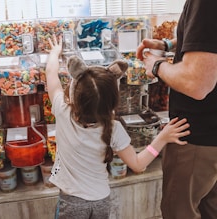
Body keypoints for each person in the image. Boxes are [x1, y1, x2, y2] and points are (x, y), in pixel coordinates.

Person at [45, 34, 190, 219]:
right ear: (113, 102)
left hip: (71, 201)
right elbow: (138, 165)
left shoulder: (62, 110)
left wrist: (55, 52)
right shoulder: (113, 129)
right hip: (101, 200)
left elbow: (51, 74)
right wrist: (162, 138)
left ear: (74, 93)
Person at [136, 1, 217, 218]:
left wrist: (156, 65)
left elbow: (197, 84)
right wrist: (168, 45)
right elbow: (207, 42)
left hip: (194, 137)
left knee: (179, 211)